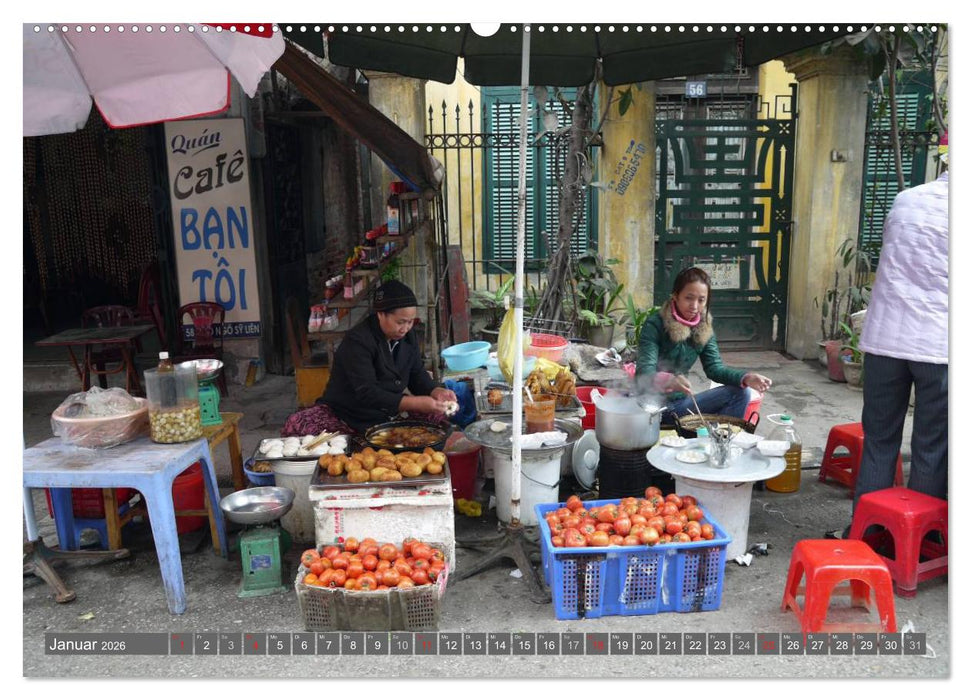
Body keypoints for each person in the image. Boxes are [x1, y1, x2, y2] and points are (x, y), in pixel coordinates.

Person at [853, 163, 948, 512]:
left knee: (878, 441)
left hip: (885, 341)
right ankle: (920, 534)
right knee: (931, 447)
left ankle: (867, 530)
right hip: (939, 348)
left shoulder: (906, 200)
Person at [282, 280, 457, 436]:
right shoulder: (358, 341)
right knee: (300, 426)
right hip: (348, 413)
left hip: (387, 411)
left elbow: (416, 374)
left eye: (410, 322)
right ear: (381, 314)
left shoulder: (407, 337)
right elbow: (368, 392)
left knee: (439, 419)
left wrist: (435, 391)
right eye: (400, 322)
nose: (405, 328)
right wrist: (415, 403)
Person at [635, 267, 771, 423]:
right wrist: (668, 381)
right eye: (689, 298)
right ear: (675, 296)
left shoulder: (703, 327)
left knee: (741, 393)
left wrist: (746, 377)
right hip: (652, 407)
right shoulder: (655, 324)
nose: (694, 306)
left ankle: (719, 437)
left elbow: (715, 369)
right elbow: (644, 372)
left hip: (680, 404)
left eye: (701, 300)